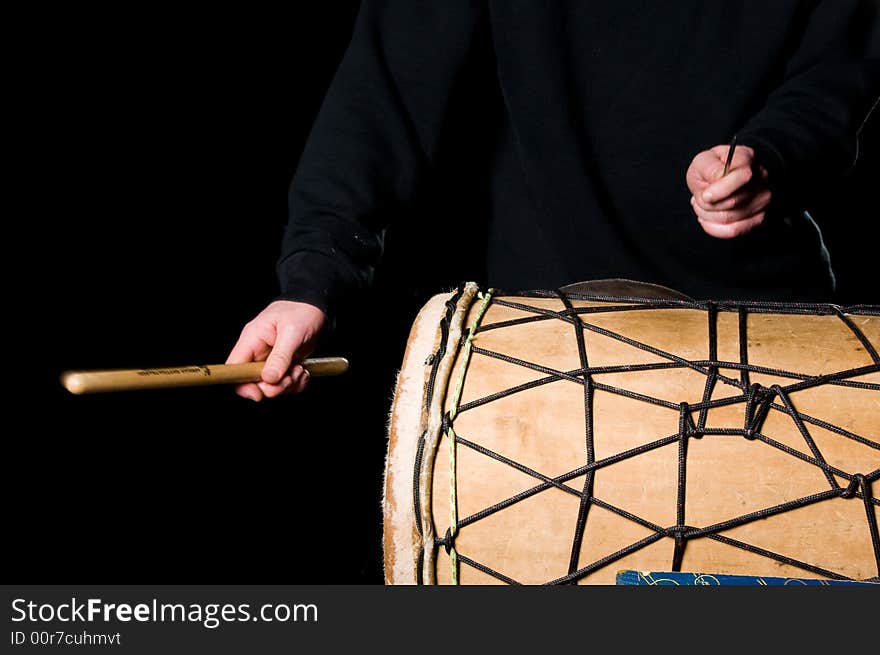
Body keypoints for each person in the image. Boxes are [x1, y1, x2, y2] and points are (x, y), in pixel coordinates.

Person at [226, 0, 879, 401]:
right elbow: (385, 88)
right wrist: (313, 280)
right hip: (548, 349)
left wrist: (769, 156)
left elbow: (839, 69)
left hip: (774, 342)